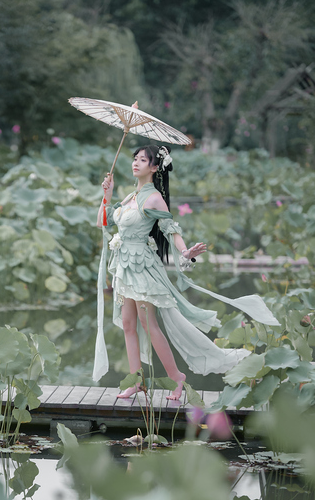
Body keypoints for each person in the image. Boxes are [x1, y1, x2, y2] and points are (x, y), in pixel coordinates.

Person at [93, 143, 279, 399]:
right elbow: (103, 221)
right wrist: (107, 194)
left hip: (142, 268)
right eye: (135, 158)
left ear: (154, 167)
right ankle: (136, 381)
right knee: (127, 324)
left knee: (148, 324)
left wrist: (185, 252)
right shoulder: (129, 197)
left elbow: (170, 229)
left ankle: (176, 377)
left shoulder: (153, 198)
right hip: (124, 268)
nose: (135, 162)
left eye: (142, 160)